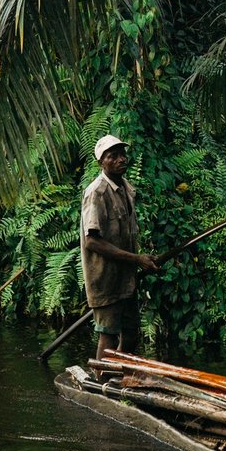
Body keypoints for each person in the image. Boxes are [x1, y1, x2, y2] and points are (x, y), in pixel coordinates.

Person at [80, 134, 159, 357]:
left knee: (131, 332)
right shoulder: (96, 192)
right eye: (112, 156)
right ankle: (103, 381)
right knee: (108, 333)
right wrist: (137, 259)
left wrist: (141, 260)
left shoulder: (126, 189)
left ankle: (123, 377)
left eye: (122, 154)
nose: (120, 159)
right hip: (105, 279)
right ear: (101, 162)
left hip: (126, 278)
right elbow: (92, 241)